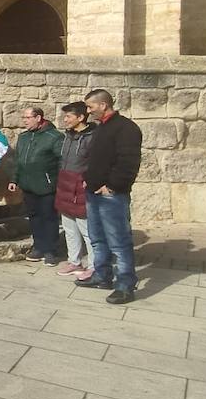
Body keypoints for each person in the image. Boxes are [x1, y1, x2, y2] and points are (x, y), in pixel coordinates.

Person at [79, 88, 143, 304]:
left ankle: (125, 285)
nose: (88, 112)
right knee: (97, 239)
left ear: (103, 105)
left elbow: (128, 162)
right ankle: (102, 275)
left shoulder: (126, 128)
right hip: (93, 192)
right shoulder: (101, 128)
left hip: (111, 195)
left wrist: (112, 186)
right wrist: (88, 179)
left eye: (90, 107)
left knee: (119, 241)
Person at [8, 105, 63, 265]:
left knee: (49, 217)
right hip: (28, 185)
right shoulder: (24, 137)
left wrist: (57, 182)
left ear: (38, 118)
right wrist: (14, 179)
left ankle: (51, 250)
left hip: (47, 186)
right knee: (34, 217)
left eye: (27, 118)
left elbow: (62, 161)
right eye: (23, 118)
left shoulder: (54, 137)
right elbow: (19, 161)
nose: (24, 121)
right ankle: (39, 246)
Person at [55, 101, 96, 280]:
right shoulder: (68, 136)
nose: (65, 120)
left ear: (80, 117)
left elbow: (97, 162)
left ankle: (95, 266)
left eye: (69, 116)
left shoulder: (93, 136)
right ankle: (75, 261)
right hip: (65, 182)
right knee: (69, 227)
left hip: (81, 185)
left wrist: (90, 179)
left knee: (87, 230)